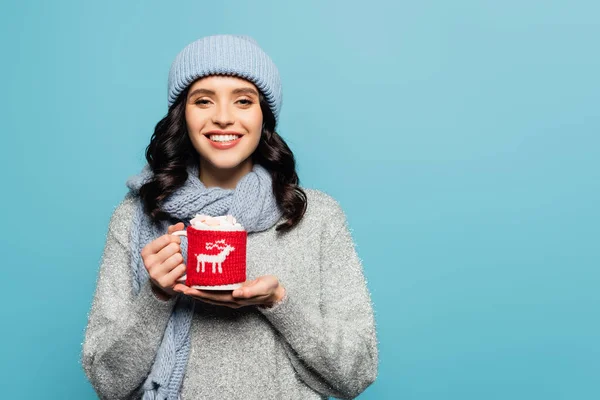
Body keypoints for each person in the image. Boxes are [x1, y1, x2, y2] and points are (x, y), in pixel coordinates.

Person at [81, 34, 378, 400]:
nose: (223, 118)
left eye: (243, 100)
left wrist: (278, 302)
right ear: (182, 115)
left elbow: (358, 372)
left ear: (264, 116)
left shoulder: (315, 217)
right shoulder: (138, 216)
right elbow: (106, 383)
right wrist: (156, 295)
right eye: (203, 100)